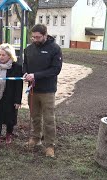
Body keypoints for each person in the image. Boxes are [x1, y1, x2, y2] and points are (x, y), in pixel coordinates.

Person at [23, 24, 63, 157]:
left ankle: (50, 145)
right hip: (33, 89)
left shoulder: (55, 49)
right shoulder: (28, 49)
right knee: (35, 116)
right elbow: (25, 64)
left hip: (47, 90)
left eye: (38, 37)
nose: (35, 39)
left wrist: (35, 75)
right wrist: (25, 74)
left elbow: (55, 69)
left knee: (49, 118)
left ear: (45, 35)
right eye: (33, 37)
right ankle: (35, 138)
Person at [0, 43, 23, 146]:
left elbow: (19, 85)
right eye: (0, 54)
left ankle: (8, 135)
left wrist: (17, 100)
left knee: (9, 118)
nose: (1, 57)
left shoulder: (16, 67)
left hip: (10, 97)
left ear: (10, 56)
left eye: (3, 55)